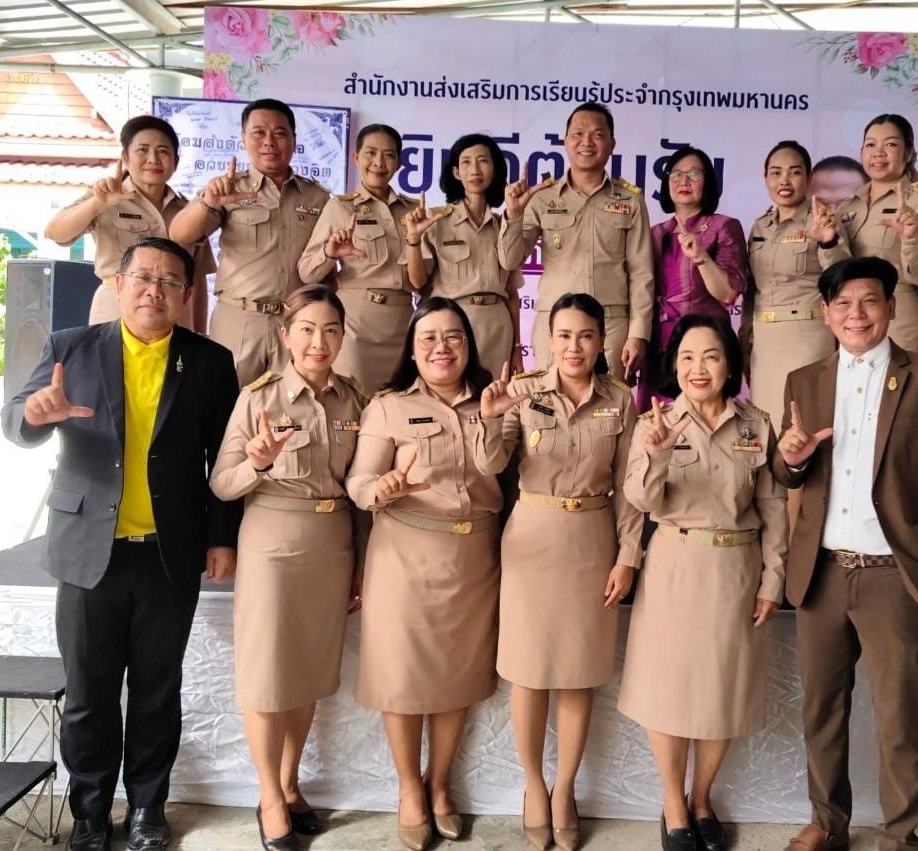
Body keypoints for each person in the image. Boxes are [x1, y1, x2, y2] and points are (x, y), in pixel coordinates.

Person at [1, 236, 241, 851]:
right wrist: (34, 415)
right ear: (120, 282)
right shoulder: (71, 348)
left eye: (169, 281)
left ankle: (147, 808)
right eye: (144, 277)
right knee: (89, 694)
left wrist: (222, 538)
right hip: (88, 551)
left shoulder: (210, 362)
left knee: (158, 691)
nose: (154, 290)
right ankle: (88, 813)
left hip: (169, 552)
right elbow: (16, 417)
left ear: (186, 295)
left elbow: (224, 457)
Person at [771, 256, 918, 851]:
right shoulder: (803, 381)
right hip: (821, 574)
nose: (856, 314)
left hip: (896, 576)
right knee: (821, 710)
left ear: (891, 307)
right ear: (825, 313)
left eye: (869, 301)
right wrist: (790, 460)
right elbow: (786, 473)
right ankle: (827, 821)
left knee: (899, 716)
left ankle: (899, 834)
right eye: (842, 303)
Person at [474, 293, 640, 851]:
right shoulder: (522, 393)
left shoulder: (620, 400)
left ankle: (565, 789)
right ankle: (533, 786)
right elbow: (491, 464)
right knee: (528, 672)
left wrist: (627, 556)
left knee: (575, 672)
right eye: (564, 335)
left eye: (586, 336)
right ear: (548, 338)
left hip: (591, 539)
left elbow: (630, 489)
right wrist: (490, 417)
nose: (574, 347)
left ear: (601, 341)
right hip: (532, 538)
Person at [620, 314, 788, 851]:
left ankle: (701, 798)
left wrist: (773, 579)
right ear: (674, 366)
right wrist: (656, 453)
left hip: (737, 570)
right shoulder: (654, 423)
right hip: (675, 564)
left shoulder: (756, 425)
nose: (699, 368)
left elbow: (774, 507)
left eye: (711, 356)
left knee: (722, 690)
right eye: (687, 357)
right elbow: (641, 500)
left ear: (729, 364)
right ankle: (673, 802)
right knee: (668, 690)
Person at [209, 286, 365, 851]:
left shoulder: (355, 401)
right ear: (286, 335)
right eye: (307, 329)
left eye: (330, 330)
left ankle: (290, 781)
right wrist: (256, 463)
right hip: (273, 542)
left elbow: (360, 490)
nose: (319, 341)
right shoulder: (260, 397)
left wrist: (362, 563)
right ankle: (269, 795)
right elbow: (221, 483)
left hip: (333, 542)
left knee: (308, 672)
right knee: (267, 672)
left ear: (343, 337)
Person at [345, 297, 500, 851]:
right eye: (428, 337)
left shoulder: (494, 401)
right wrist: (382, 487)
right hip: (405, 556)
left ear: (469, 346)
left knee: (458, 674)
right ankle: (410, 788)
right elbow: (359, 483)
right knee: (403, 676)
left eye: (453, 336)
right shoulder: (388, 407)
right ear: (412, 350)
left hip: (474, 558)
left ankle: (440, 784)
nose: (442, 347)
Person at [169, 98, 330, 386]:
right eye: (259, 133)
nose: (269, 141)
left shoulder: (317, 197)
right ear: (243, 138)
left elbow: (325, 268)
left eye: (279, 133)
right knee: (227, 402)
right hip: (239, 319)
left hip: (296, 322)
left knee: (293, 402)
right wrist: (208, 204)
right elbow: (180, 234)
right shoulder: (228, 188)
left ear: (294, 139)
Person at [500, 101, 655, 380]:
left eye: (597, 134)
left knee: (609, 404)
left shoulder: (630, 200)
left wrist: (638, 334)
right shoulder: (541, 198)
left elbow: (642, 272)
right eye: (578, 134)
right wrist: (513, 214)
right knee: (549, 403)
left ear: (612, 144)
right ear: (565, 141)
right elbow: (510, 260)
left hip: (611, 327)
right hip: (554, 326)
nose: (587, 142)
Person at [44, 115, 214, 332]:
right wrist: (98, 204)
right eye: (142, 150)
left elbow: (197, 279)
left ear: (176, 162)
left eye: (163, 151)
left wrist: (199, 334)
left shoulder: (188, 211)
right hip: (115, 310)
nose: (153, 159)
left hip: (175, 314)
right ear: (125, 158)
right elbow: (55, 232)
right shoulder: (104, 196)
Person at [299, 123, 418, 391]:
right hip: (355, 325)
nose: (379, 163)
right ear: (356, 158)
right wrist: (329, 253)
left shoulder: (412, 210)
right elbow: (307, 271)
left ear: (399, 163)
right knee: (352, 400)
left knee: (398, 402)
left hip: (402, 323)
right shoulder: (340, 207)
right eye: (370, 153)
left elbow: (424, 277)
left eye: (388, 155)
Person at [743, 140, 850, 431]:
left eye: (794, 172)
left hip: (808, 337)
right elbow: (753, 289)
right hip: (765, 341)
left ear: (809, 177)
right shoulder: (760, 226)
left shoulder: (823, 220)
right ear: (765, 177)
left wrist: (827, 241)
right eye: (776, 173)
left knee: (804, 423)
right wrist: (745, 337)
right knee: (766, 424)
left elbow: (842, 279)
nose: (784, 181)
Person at [404, 132, 524, 378]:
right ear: (456, 173)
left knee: (493, 396)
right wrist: (414, 239)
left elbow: (512, 294)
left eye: (483, 161)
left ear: (495, 170)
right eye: (466, 162)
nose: (475, 170)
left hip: (497, 328)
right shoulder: (436, 220)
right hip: (451, 327)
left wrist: (516, 347)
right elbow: (417, 282)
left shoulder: (504, 224)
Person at [637, 146, 747, 412]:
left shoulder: (723, 226)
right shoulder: (654, 233)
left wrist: (700, 257)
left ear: (707, 182)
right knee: (655, 424)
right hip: (658, 350)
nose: (683, 181)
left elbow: (728, 293)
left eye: (694, 174)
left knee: (701, 422)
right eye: (676, 174)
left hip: (702, 348)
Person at [836, 114, 918, 352]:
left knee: (893, 376)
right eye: (870, 145)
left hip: (896, 314)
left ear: (909, 153)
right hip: (850, 317)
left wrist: (911, 237)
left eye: (891, 144)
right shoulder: (848, 207)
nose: (878, 153)